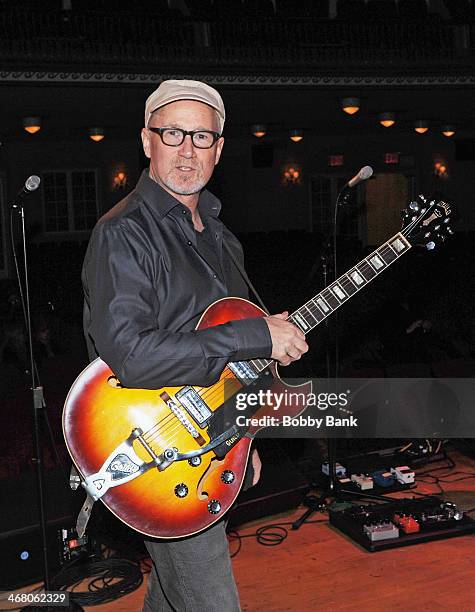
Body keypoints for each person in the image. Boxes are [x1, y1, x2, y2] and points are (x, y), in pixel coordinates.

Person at [82, 79, 308, 612]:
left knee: (170, 594)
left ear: (220, 148)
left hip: (205, 450)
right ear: (146, 140)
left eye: (202, 137)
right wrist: (257, 334)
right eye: (173, 133)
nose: (187, 149)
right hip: (152, 452)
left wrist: (239, 437)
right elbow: (132, 354)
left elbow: (229, 360)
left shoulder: (222, 238)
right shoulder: (123, 232)